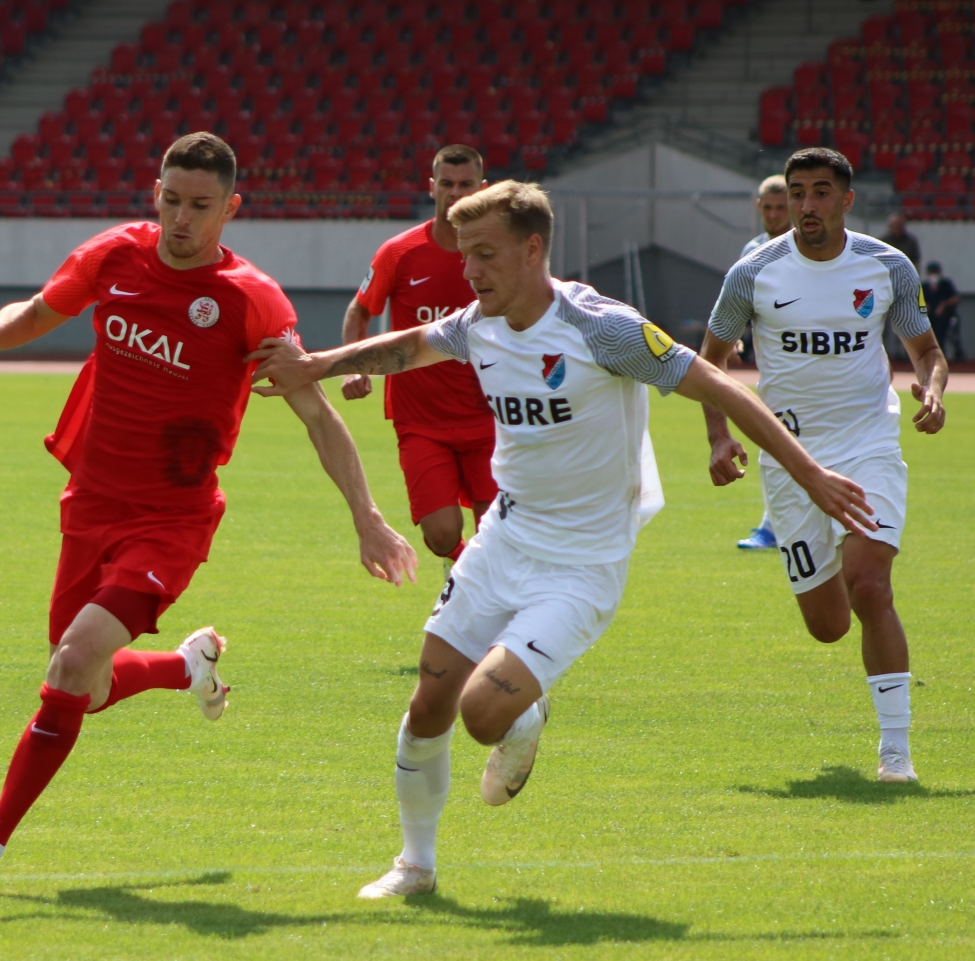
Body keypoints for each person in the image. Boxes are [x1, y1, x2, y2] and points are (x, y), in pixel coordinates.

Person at [249, 181, 872, 897]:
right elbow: (407, 346)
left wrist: (809, 472)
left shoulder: (601, 328)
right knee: (427, 703)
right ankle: (415, 866)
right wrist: (318, 364)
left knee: (482, 713)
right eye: (464, 255)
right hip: (504, 540)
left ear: (532, 249)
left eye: (485, 254)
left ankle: (525, 708)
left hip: (582, 564)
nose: (469, 271)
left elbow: (721, 387)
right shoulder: (477, 324)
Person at [0, 132, 420, 876]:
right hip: (91, 501)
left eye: (201, 206)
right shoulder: (115, 256)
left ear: (231, 208)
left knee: (72, 662)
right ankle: (188, 668)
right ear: (155, 192)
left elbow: (317, 414)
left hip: (171, 520)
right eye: (172, 200)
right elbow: (40, 309)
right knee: (84, 687)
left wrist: (367, 518)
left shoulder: (251, 299)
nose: (182, 219)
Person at [699, 147, 948, 785]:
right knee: (829, 625)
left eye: (819, 192)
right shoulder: (753, 272)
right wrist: (719, 436)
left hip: (868, 444)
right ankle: (829, 559)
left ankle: (896, 753)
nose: (806, 205)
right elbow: (711, 362)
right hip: (790, 459)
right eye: (797, 192)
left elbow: (926, 350)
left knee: (870, 586)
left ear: (846, 200)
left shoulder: (886, 265)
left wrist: (933, 389)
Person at [339, 144, 496, 562]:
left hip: (490, 415)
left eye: (466, 185)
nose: (455, 193)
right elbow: (360, 310)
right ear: (431, 187)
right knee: (441, 534)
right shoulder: (400, 252)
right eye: (447, 184)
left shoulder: (499, 254)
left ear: (483, 189)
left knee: (497, 528)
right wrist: (355, 367)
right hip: (421, 420)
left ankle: (477, 589)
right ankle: (461, 567)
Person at [733, 174, 793, 551]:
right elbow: (738, 304)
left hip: (810, 362)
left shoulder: (809, 249)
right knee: (774, 440)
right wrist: (733, 336)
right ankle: (772, 525)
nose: (773, 214)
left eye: (780, 207)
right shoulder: (752, 252)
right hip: (773, 368)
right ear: (758, 207)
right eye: (767, 207)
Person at [922, 260, 961, 361]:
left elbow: (955, 298)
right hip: (928, 317)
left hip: (944, 317)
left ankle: (941, 353)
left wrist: (943, 304)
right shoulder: (924, 286)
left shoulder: (946, 284)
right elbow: (917, 300)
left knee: (941, 330)